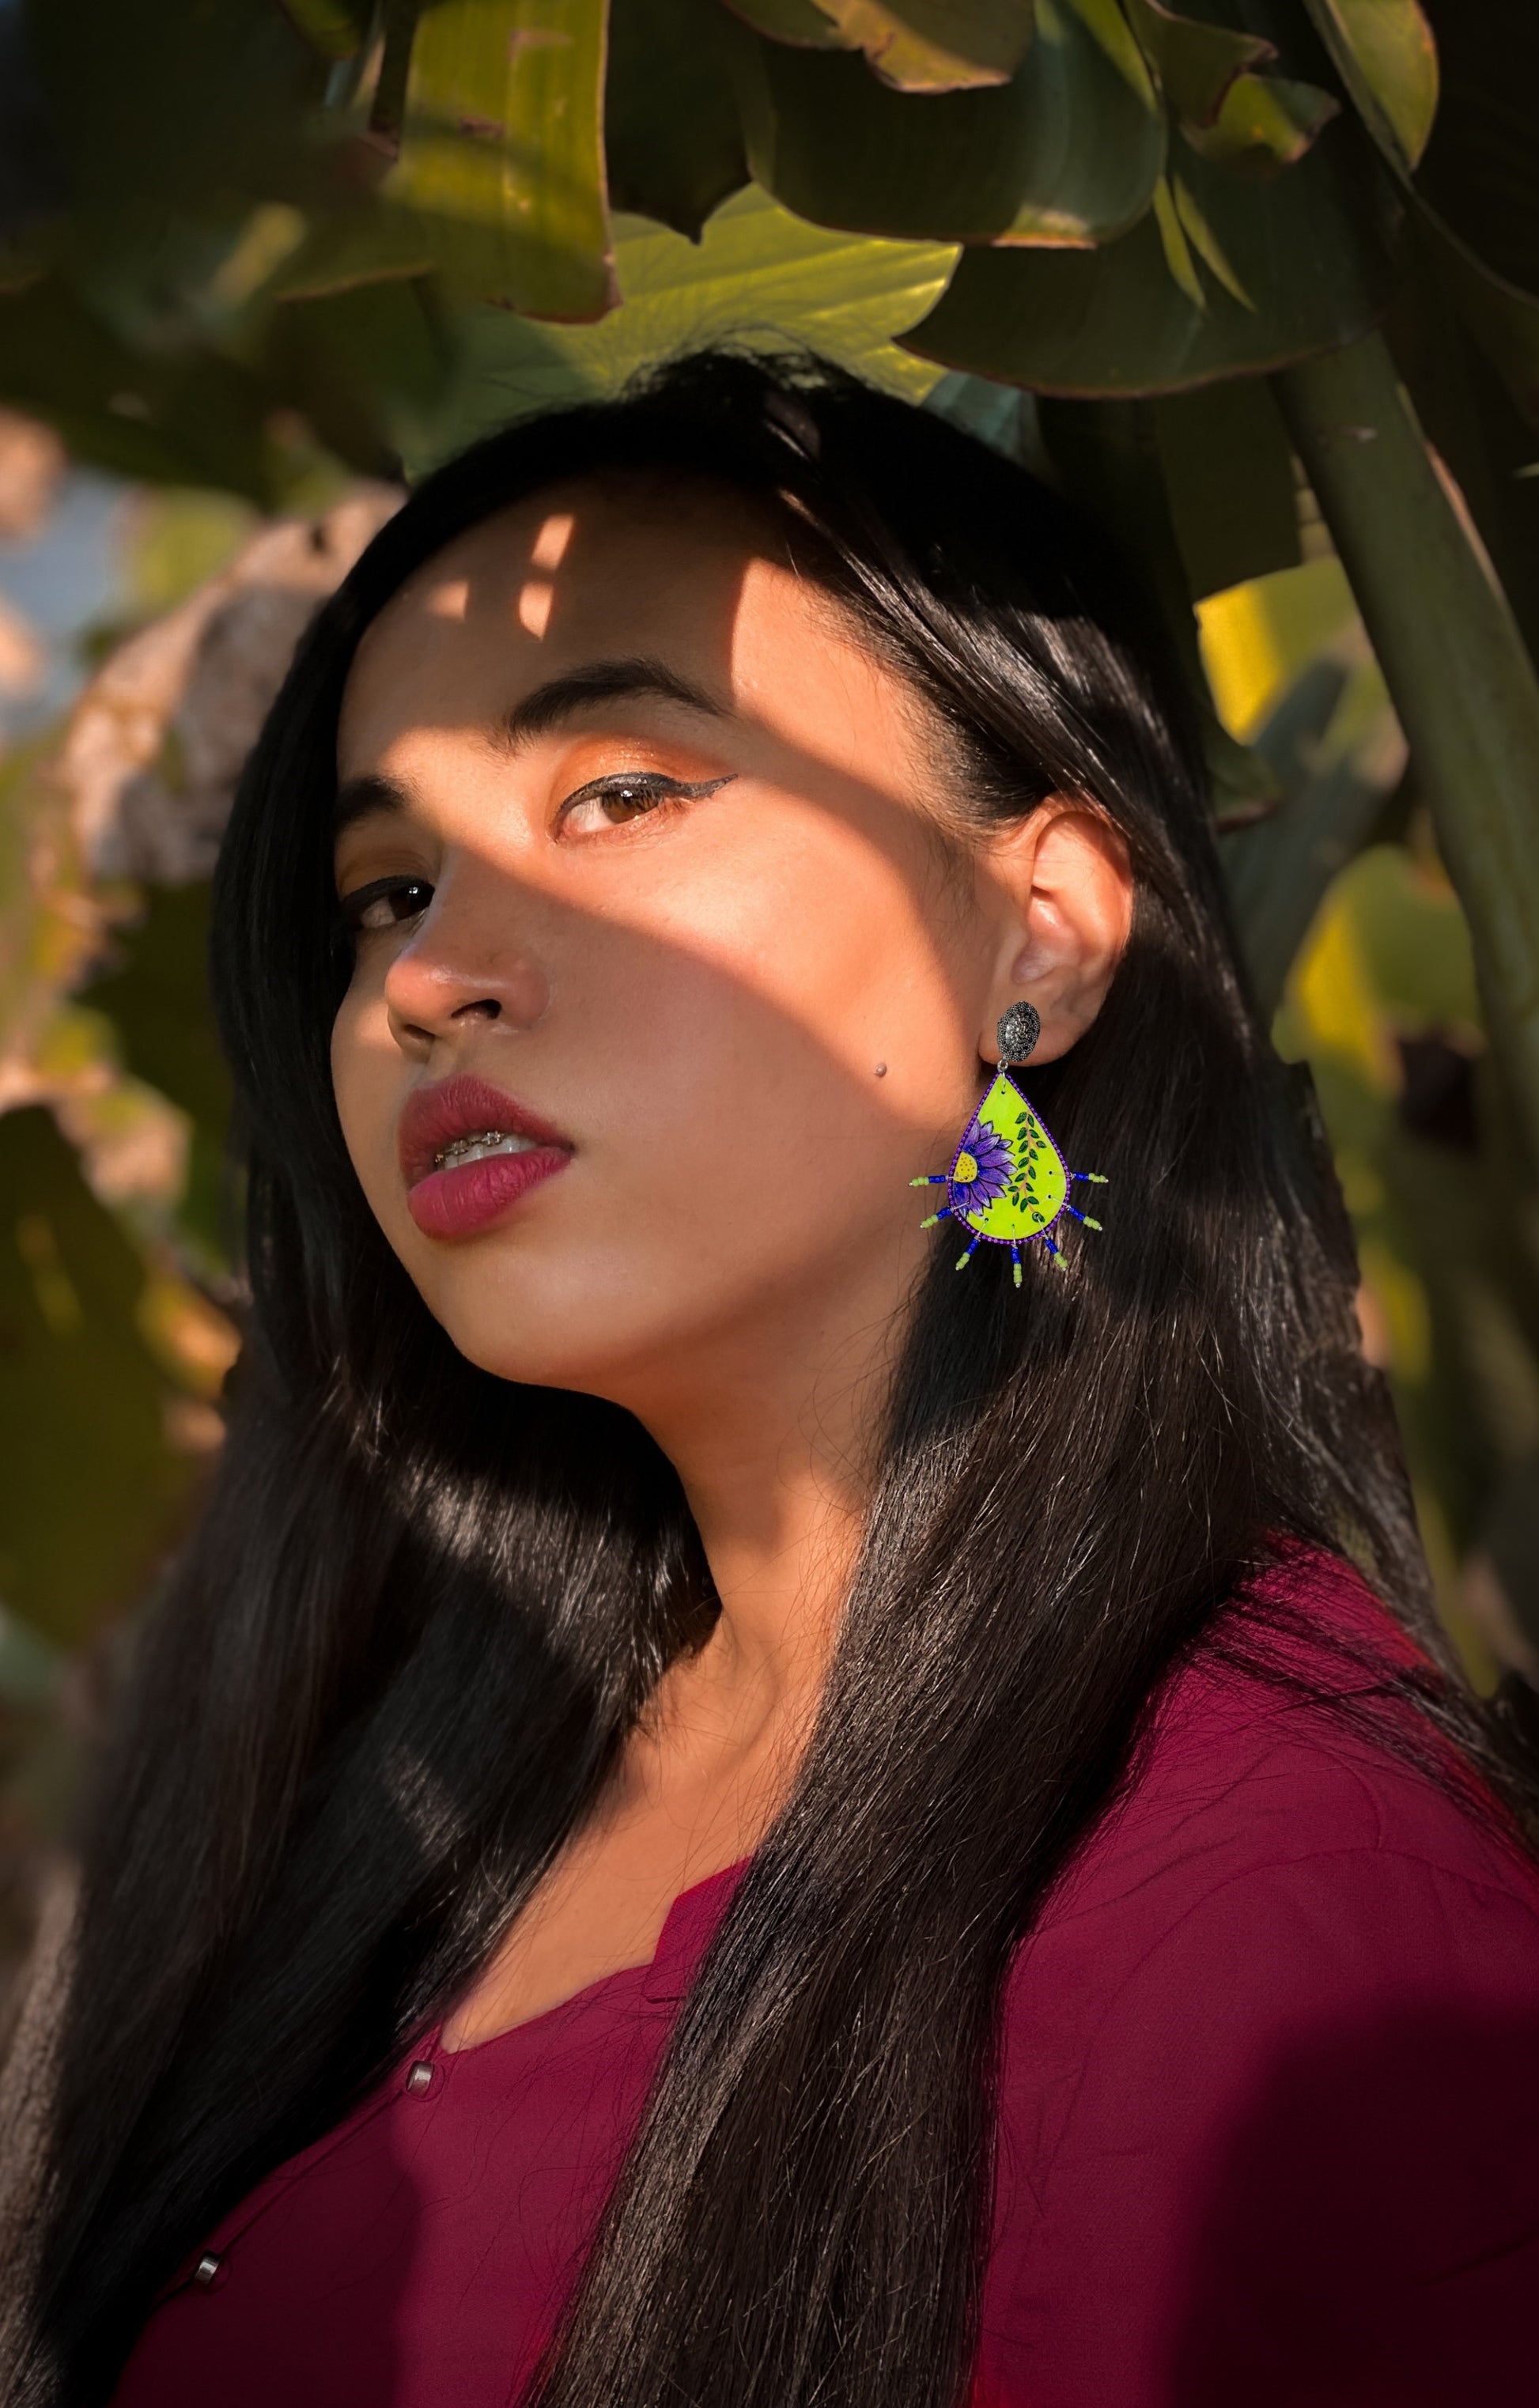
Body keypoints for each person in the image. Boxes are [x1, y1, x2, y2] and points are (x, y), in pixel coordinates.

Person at [6, 350, 1538, 2408]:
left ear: (1041, 929)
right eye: (389, 891)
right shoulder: (379, 1765)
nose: (429, 977)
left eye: (621, 793)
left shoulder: (1282, 1922)